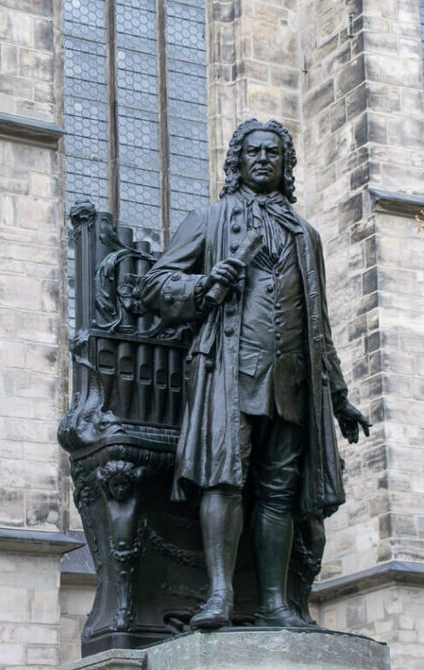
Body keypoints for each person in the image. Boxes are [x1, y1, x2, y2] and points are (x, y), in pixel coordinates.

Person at [141, 119, 370, 629]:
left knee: (279, 489)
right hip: (229, 373)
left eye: (273, 153)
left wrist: (338, 398)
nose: (263, 159)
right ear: (237, 162)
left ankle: (273, 603)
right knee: (224, 478)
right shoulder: (210, 220)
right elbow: (155, 285)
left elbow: (320, 325)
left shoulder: (306, 237)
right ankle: (219, 598)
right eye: (254, 152)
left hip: (291, 380)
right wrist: (205, 282)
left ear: (286, 165)